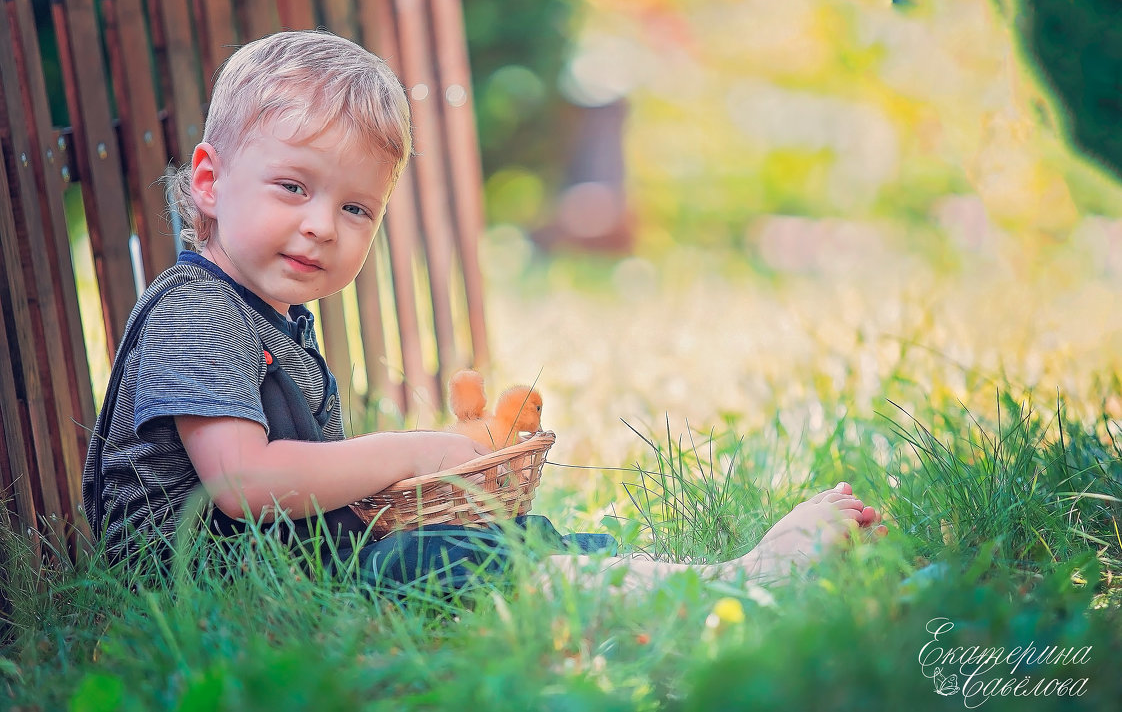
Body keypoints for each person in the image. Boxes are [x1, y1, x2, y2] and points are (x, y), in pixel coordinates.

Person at [81, 29, 884, 591]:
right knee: (440, 567)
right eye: (294, 186)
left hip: (283, 566)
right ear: (212, 182)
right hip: (207, 596)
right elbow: (244, 484)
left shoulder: (268, 313)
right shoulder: (196, 308)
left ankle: (687, 583)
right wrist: (406, 453)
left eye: (358, 208)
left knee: (486, 541)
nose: (323, 224)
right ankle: (724, 587)